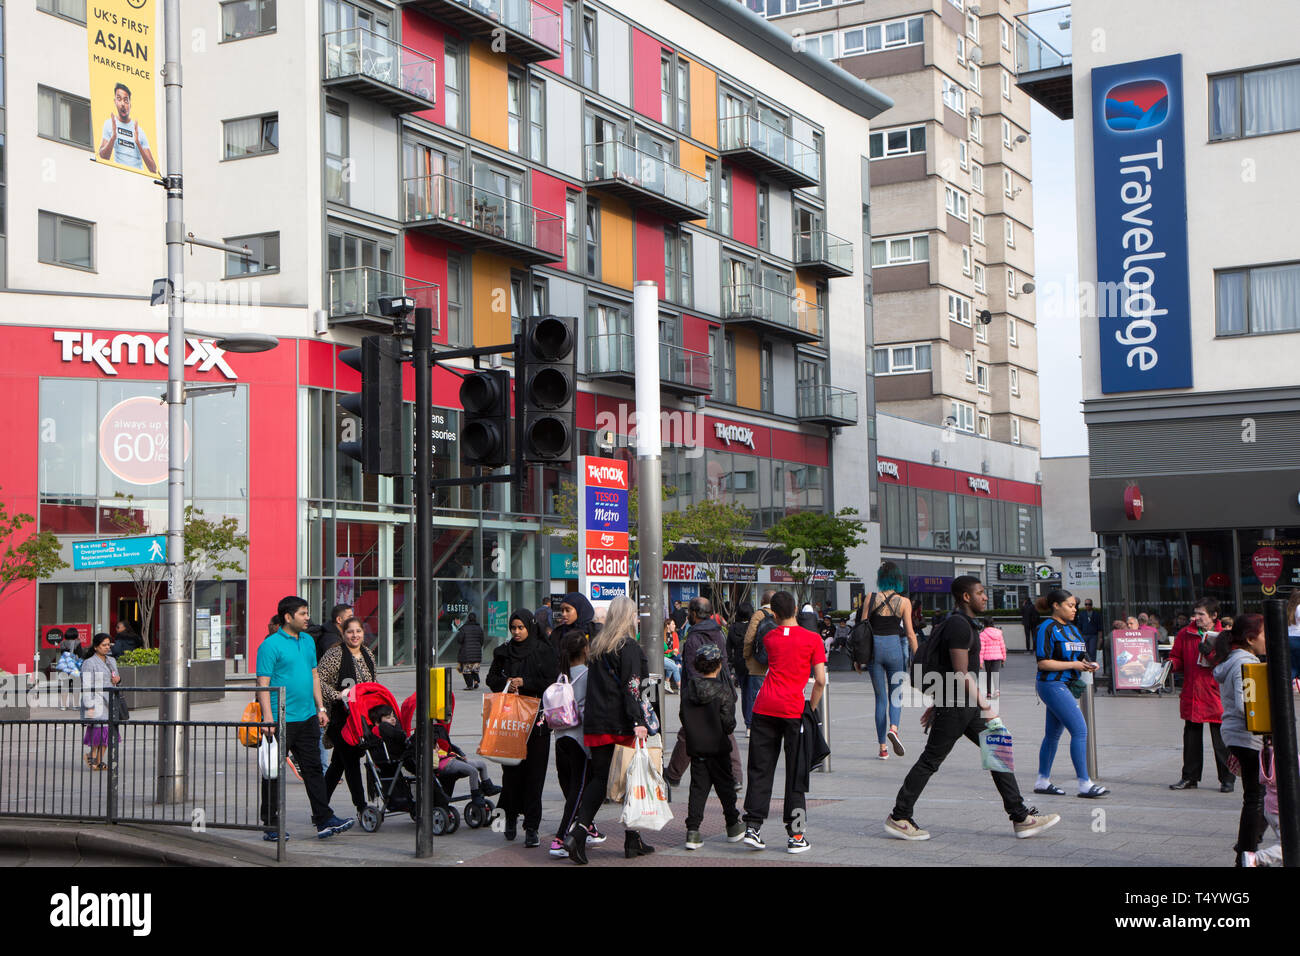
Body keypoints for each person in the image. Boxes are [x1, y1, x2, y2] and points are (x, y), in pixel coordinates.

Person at [886, 576, 1060, 842]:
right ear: (966, 597)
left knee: (997, 751)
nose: (985, 597)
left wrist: (937, 703)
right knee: (931, 760)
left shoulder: (961, 624)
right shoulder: (959, 625)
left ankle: (1021, 817)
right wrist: (987, 707)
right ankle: (900, 816)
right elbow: (960, 672)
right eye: (980, 593)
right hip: (958, 706)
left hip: (958, 705)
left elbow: (947, 669)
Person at [563, 596, 654, 864]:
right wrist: (638, 721)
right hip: (621, 724)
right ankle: (588, 835)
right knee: (629, 781)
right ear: (629, 617)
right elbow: (633, 687)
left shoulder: (599, 646)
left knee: (600, 779)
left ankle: (624, 837)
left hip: (596, 723)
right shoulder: (629, 647)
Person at [256, 596, 355, 841]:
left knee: (313, 770)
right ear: (288, 617)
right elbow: (263, 683)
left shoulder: (309, 641)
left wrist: (321, 708)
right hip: (281, 720)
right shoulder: (270, 645)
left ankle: (323, 819)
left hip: (308, 717)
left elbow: (314, 676)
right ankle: (271, 825)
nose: (307, 617)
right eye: (302, 613)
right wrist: (269, 719)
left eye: (307, 612)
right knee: (273, 772)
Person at [741, 590, 826, 854]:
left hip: (764, 708)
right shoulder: (813, 639)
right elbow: (821, 681)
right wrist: (809, 708)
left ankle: (753, 828)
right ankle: (796, 836)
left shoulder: (770, 636)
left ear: (775, 614)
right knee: (796, 773)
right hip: (792, 710)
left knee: (760, 769)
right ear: (797, 608)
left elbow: (757, 658)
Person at [485, 609, 558, 848]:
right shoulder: (504, 652)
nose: (516, 632)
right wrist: (506, 683)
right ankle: (510, 818)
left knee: (535, 777)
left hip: (537, 724)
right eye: (513, 628)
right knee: (512, 776)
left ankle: (532, 827)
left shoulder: (543, 651)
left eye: (521, 628)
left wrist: (526, 682)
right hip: (510, 724)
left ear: (530, 627)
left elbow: (551, 682)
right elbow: (491, 679)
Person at [1032, 590, 1108, 799]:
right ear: (1055, 605)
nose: (1074, 609)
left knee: (1053, 734)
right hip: (1052, 685)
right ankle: (1084, 783)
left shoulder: (1074, 630)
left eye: (1075, 606)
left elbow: (1083, 655)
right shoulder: (1046, 628)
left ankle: (1042, 781)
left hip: (1064, 685)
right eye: (1070, 605)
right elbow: (1043, 662)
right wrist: (1074, 664)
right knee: (1080, 730)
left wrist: (1089, 663)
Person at [666, 597, 743, 789]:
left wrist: (692, 696)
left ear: (694, 613)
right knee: (724, 731)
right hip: (721, 689)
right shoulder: (718, 633)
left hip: (701, 692)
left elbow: (693, 672)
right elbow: (723, 663)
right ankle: (735, 777)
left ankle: (673, 774)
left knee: (691, 732)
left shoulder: (694, 637)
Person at [1211, 614, 1268, 866]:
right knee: (1258, 798)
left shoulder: (1236, 660)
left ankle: (1246, 846)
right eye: (1266, 634)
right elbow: (1249, 705)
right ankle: (1246, 852)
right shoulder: (1245, 662)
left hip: (1238, 736)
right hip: (1247, 738)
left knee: (1261, 796)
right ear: (1250, 638)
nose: (1269, 640)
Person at [683, 643, 746, 850]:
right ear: (718, 665)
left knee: (698, 789)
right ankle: (732, 825)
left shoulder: (689, 689)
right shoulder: (723, 691)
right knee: (726, 787)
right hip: (718, 747)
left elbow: (683, 716)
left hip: (697, 748)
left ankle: (693, 831)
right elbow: (729, 723)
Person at [1169, 597, 1234, 793]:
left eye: (1201, 614)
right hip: (1192, 691)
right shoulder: (1185, 633)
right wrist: (1169, 666)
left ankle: (1227, 779)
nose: (1196, 617)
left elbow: (1229, 663)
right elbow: (1176, 657)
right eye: (1195, 613)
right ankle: (1189, 777)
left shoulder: (1225, 636)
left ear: (1214, 616)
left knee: (1221, 740)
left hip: (1216, 692)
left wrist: (1210, 654)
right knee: (1191, 739)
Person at [318, 617, 376, 819]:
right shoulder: (335, 654)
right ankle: (362, 807)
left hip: (362, 718)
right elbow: (319, 680)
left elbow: (373, 683)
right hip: (341, 719)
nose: (355, 635)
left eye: (358, 631)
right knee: (350, 762)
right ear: (343, 634)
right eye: (350, 632)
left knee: (337, 765)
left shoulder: (367, 653)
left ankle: (320, 806)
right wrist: (337, 695)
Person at [549, 632, 600, 858]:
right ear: (586, 650)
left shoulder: (561, 675)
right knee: (578, 790)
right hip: (579, 739)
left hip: (560, 737)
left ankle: (588, 827)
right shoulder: (589, 675)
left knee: (572, 787)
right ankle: (560, 839)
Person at [860, 563, 918, 760]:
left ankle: (883, 748)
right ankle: (894, 728)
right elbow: (910, 633)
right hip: (894, 648)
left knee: (880, 699)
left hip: (874, 650)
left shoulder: (871, 597)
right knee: (896, 696)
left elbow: (862, 627)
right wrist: (918, 655)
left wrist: (858, 658)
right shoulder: (904, 602)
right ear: (897, 578)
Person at [80, 633, 119, 771]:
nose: (107, 647)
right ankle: (93, 757)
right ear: (96, 647)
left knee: (107, 733)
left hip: (110, 701)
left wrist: (117, 680)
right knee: (98, 732)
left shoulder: (111, 661)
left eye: (109, 644)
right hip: (96, 701)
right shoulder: (89, 663)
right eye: (104, 645)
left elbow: (115, 678)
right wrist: (89, 706)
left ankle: (96, 759)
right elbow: (86, 685)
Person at [98, 82, 157, 174]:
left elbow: (153, 169)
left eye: (126, 100)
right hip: (119, 175)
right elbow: (103, 157)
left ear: (130, 105)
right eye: (119, 99)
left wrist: (138, 143)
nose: (122, 104)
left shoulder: (139, 131)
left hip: (138, 177)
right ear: (115, 102)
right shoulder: (109, 124)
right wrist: (113, 138)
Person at [740, 590, 775, 736]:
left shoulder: (758, 615)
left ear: (762, 601)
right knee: (773, 695)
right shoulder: (781, 614)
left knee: (756, 696)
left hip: (758, 664)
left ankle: (752, 727)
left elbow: (749, 638)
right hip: (776, 663)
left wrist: (747, 656)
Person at [551, 592, 598, 658]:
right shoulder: (558, 633)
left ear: (580, 609)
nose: (564, 614)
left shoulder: (595, 632)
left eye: (567, 610)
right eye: (562, 610)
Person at [727, 602, 753, 692]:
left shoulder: (733, 628)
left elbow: (728, 648)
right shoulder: (752, 627)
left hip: (738, 661)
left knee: (744, 689)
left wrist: (730, 663)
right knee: (751, 691)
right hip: (751, 661)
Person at [978, 616, 1007, 698]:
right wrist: (1004, 657)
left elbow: (981, 649)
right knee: (995, 673)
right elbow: (1002, 646)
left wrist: (980, 662)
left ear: (984, 623)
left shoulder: (982, 634)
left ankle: (989, 693)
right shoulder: (999, 633)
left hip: (987, 658)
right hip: (997, 657)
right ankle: (997, 691)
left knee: (988, 675)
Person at [456, 612, 484, 690]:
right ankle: (476, 681)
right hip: (477, 652)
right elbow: (482, 641)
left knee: (467, 670)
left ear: (468, 619)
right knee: (474, 669)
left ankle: (469, 685)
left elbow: (459, 639)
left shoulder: (464, 628)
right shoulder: (479, 628)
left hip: (466, 653)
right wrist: (478, 647)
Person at [662, 618, 682, 693]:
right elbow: (664, 650)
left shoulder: (675, 634)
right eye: (673, 624)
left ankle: (667, 683)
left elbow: (676, 648)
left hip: (673, 655)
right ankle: (680, 687)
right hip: (665, 656)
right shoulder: (662, 635)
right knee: (675, 666)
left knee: (676, 665)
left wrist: (673, 652)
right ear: (667, 625)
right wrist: (671, 651)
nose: (675, 625)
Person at [1286, 589, 1300, 682]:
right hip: (1298, 638)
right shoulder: (1299, 607)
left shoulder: (1288, 608)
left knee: (1292, 667)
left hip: (1289, 638)